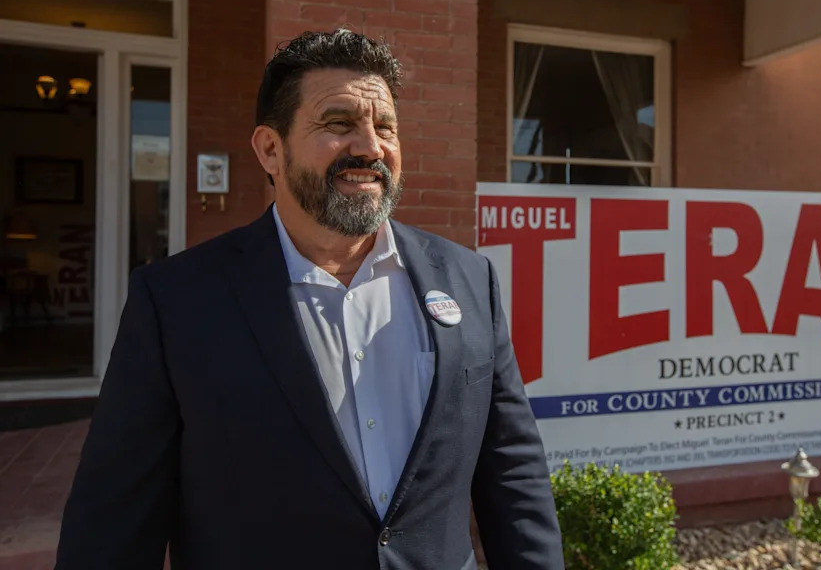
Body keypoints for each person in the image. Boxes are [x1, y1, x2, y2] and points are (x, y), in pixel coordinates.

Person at [54, 29, 563, 570]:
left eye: (384, 126)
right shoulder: (177, 301)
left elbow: (511, 471)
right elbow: (113, 517)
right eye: (338, 124)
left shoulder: (467, 278)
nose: (370, 147)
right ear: (270, 149)